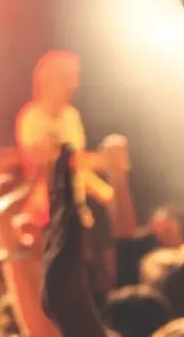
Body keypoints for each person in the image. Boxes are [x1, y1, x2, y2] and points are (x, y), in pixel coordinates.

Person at [15, 50, 113, 228]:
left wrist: (105, 192)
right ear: (51, 80)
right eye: (69, 78)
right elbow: (49, 162)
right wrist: (103, 161)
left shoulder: (71, 117)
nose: (75, 85)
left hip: (74, 213)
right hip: (44, 217)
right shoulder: (31, 117)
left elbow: (78, 169)